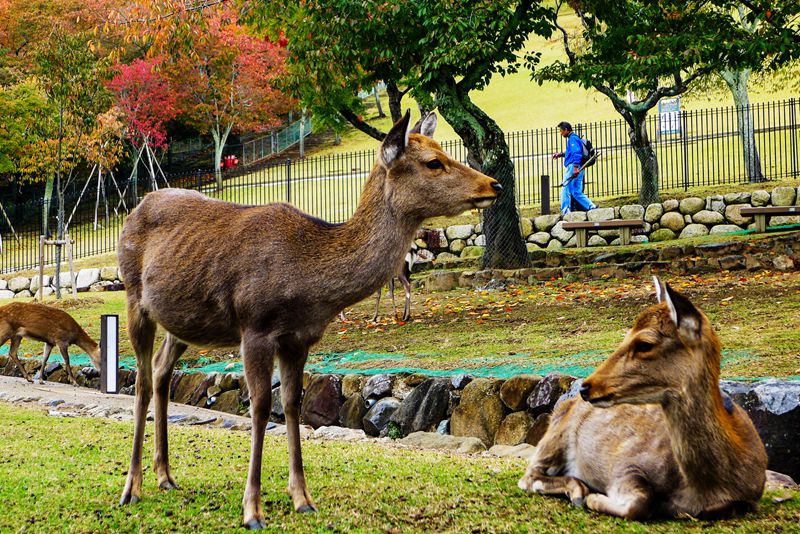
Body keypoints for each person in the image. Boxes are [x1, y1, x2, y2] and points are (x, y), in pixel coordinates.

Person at [552, 121, 596, 215]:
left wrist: (575, 168)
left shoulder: (572, 139)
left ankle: (565, 210)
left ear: (566, 130)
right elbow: (572, 152)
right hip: (580, 167)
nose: (561, 133)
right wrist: (561, 154)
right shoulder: (575, 138)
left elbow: (576, 153)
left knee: (565, 187)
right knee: (576, 191)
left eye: (561, 131)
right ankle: (591, 206)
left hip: (573, 167)